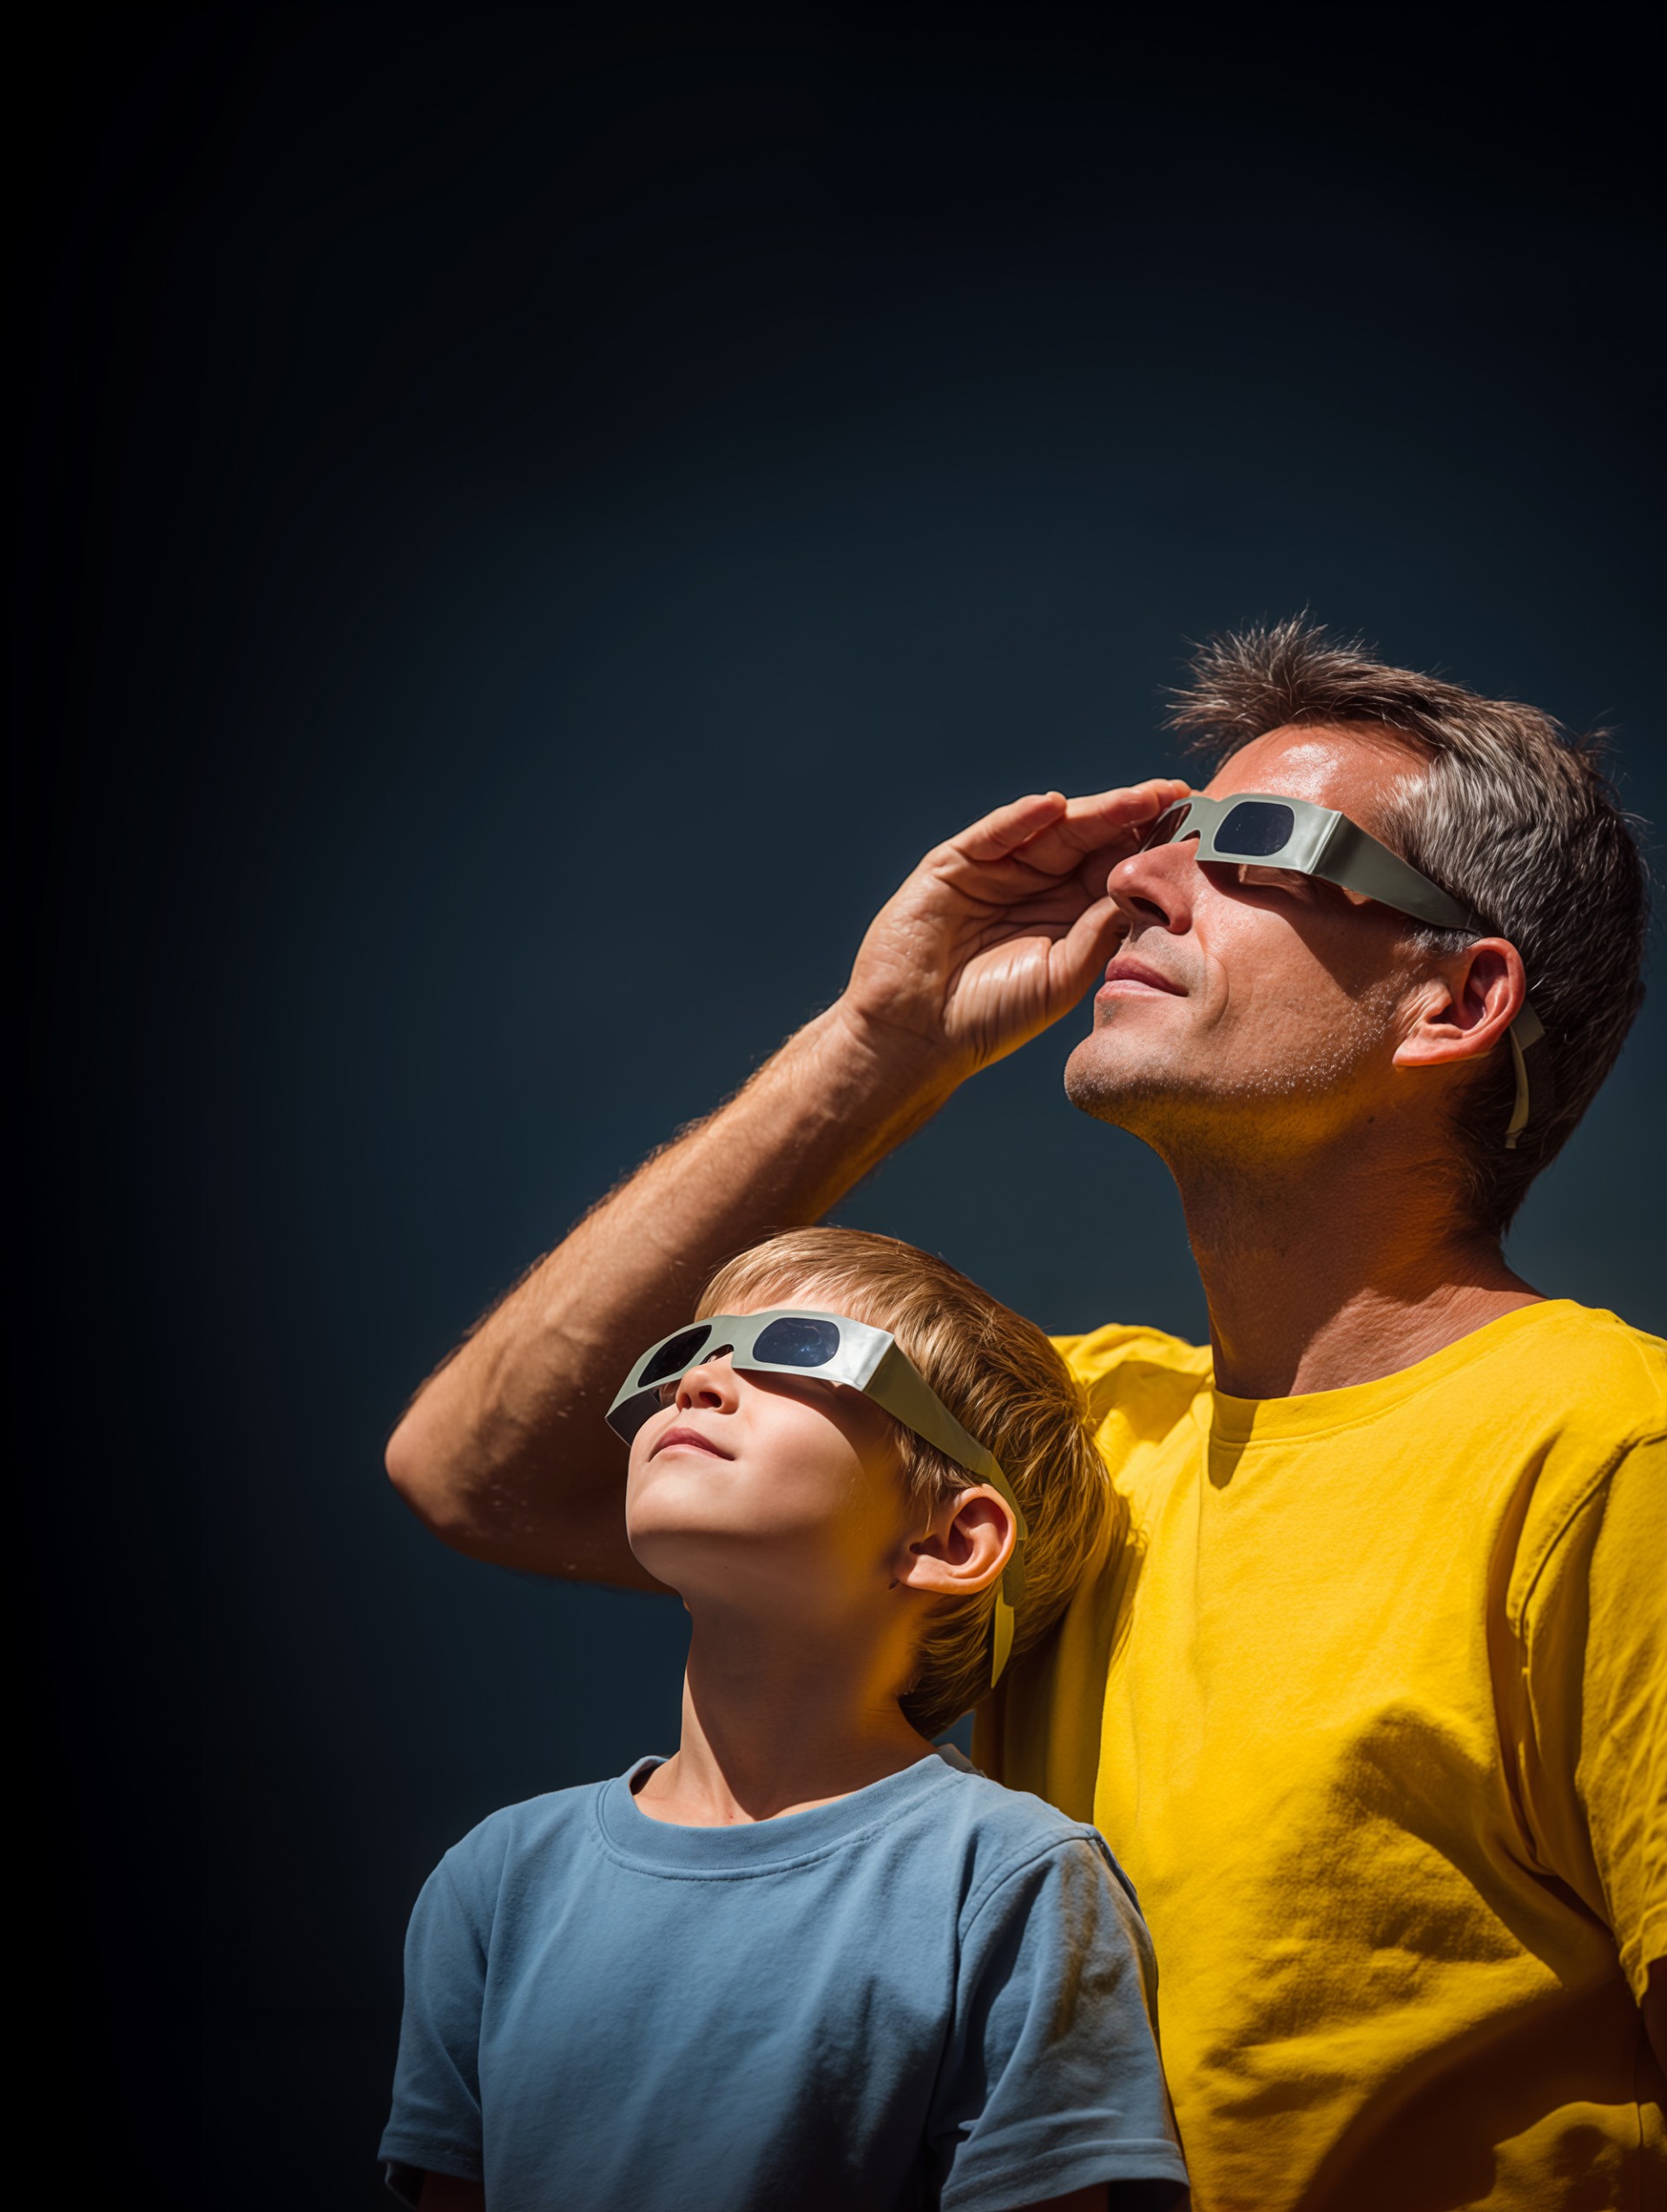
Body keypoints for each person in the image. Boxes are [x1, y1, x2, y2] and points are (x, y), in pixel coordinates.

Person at [386, 618, 1665, 2211]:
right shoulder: (1085, 1441)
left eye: (1257, 840)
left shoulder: (1612, 1453)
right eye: (1167, 835)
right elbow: (482, 1477)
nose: (1142, 877)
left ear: (1456, 1000)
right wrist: (882, 1044)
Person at [379, 1228, 1189, 2212]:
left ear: (952, 1537)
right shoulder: (497, 1883)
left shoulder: (1012, 1885)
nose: (701, 1382)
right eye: (689, 1351)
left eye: (799, 1349)